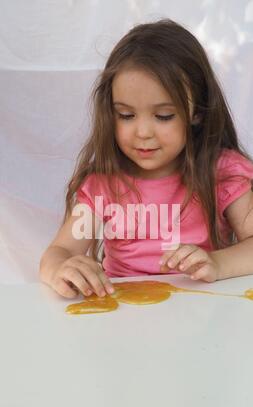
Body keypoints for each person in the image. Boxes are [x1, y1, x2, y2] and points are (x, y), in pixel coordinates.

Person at [39, 18, 253, 299]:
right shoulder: (104, 183)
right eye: (126, 115)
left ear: (197, 112)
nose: (142, 132)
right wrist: (62, 269)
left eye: (164, 116)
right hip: (124, 321)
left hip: (204, 318)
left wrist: (217, 263)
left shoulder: (222, 171)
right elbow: (59, 252)